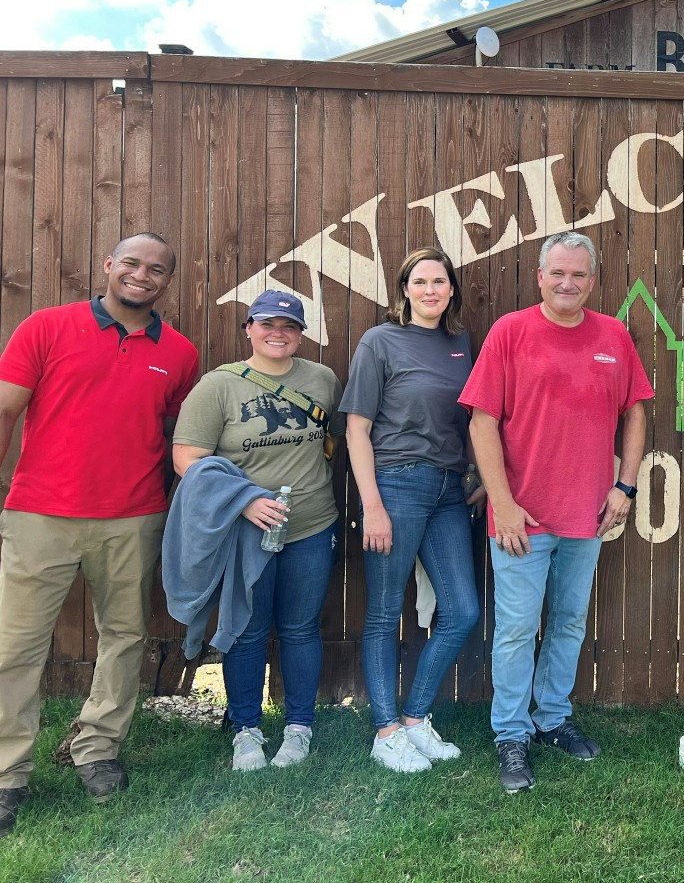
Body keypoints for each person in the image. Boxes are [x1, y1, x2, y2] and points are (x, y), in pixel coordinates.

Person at [0, 234, 198, 834]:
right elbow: (6, 411)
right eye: (132, 264)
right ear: (108, 265)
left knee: (125, 638)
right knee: (13, 649)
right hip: (41, 512)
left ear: (167, 281)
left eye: (157, 270)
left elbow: (180, 441)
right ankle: (8, 776)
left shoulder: (180, 354)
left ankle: (99, 749)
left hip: (134, 516)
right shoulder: (46, 327)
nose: (143, 276)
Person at [461, 231, 652, 793]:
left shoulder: (613, 335)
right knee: (518, 629)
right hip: (522, 516)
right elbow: (482, 422)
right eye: (557, 273)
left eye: (579, 275)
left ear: (592, 281)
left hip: (588, 514)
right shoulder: (510, 332)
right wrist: (503, 503)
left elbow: (636, 411)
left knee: (568, 621)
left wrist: (626, 486)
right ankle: (511, 735)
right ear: (540, 276)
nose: (567, 283)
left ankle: (552, 718)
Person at [172, 291, 342, 772]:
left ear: (301, 334)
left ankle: (299, 728)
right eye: (267, 323)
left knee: (300, 628)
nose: (278, 333)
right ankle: (245, 730)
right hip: (246, 533)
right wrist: (245, 500)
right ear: (248, 328)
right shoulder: (218, 386)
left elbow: (334, 440)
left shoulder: (322, 380)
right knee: (245, 631)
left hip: (310, 526)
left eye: (289, 326)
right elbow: (186, 458)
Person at [343, 247, 482, 773]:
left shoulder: (460, 344)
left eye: (439, 282)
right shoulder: (380, 342)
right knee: (383, 613)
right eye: (420, 281)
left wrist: (481, 476)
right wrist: (372, 504)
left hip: (449, 489)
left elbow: (472, 420)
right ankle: (385, 731)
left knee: (463, 610)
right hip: (396, 485)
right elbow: (357, 428)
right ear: (404, 289)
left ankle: (416, 719)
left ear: (451, 290)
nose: (430, 290)